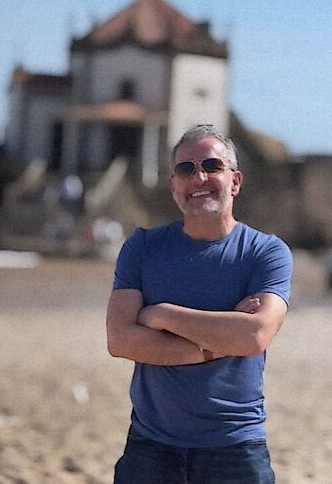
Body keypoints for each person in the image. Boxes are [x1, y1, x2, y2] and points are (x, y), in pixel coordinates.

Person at [106, 124, 293, 484]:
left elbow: (254, 336)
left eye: (212, 166)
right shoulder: (142, 248)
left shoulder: (266, 252)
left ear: (235, 181)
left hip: (235, 446)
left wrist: (161, 314)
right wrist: (220, 341)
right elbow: (121, 340)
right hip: (150, 446)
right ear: (173, 184)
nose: (199, 177)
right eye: (185, 169)